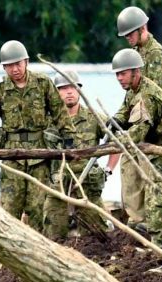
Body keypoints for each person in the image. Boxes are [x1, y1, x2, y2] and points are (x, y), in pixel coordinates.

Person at [0, 40, 76, 231]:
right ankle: (9, 254)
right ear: (4, 67)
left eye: (18, 64)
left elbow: (58, 110)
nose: (15, 69)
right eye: (9, 66)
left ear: (26, 62)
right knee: (9, 210)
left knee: (37, 209)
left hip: (38, 156)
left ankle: (36, 253)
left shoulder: (42, 83)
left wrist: (68, 136)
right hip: (11, 156)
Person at [107, 48, 162, 246]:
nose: (119, 78)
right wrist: (114, 121)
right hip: (153, 146)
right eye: (117, 74)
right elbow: (125, 110)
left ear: (136, 72)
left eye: (123, 73)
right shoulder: (134, 90)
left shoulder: (147, 96)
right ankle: (160, 244)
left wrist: (116, 143)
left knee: (159, 200)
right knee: (150, 196)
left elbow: (139, 131)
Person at [42, 70, 109, 239]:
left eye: (73, 87)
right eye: (63, 88)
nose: (69, 92)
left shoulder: (94, 117)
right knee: (52, 236)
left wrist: (109, 169)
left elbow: (116, 140)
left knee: (99, 238)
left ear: (79, 90)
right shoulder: (47, 121)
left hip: (87, 185)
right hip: (58, 186)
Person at [116, 6, 162, 94]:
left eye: (130, 33)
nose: (127, 38)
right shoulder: (136, 52)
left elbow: (159, 95)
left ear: (142, 29)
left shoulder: (156, 54)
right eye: (125, 35)